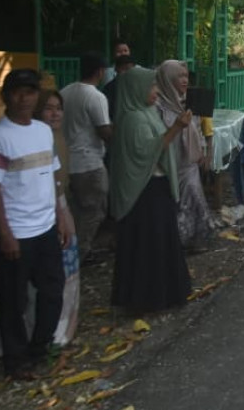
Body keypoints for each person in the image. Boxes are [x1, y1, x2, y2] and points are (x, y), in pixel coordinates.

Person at [0, 69, 70, 378]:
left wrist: (61, 215)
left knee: (52, 291)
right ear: (6, 96)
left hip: (45, 227)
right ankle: (16, 362)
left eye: (30, 92)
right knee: (13, 301)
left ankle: (39, 348)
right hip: (15, 233)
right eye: (18, 92)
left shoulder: (42, 131)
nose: (24, 98)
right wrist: (4, 233)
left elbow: (52, 176)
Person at [110, 66, 193, 313]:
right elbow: (148, 151)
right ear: (136, 89)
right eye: (151, 86)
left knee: (161, 243)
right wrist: (177, 127)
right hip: (144, 192)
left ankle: (165, 294)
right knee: (149, 246)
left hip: (157, 186)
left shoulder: (146, 112)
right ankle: (147, 299)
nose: (155, 91)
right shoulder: (133, 118)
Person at [34, 91, 81, 345]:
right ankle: (49, 331)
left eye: (58, 108)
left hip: (61, 207)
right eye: (48, 108)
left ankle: (64, 327)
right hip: (44, 211)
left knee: (68, 271)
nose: (54, 114)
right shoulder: (38, 141)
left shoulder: (59, 138)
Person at [155, 60, 213, 250]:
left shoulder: (189, 100)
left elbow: (197, 127)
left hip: (188, 163)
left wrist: (204, 150)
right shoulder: (157, 106)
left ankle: (197, 240)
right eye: (179, 76)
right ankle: (175, 243)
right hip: (167, 164)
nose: (184, 80)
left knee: (195, 200)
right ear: (168, 79)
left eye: (186, 76)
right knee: (174, 205)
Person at [59, 53, 112, 260]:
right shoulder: (95, 96)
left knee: (75, 210)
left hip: (67, 161)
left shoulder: (65, 92)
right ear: (100, 71)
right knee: (95, 210)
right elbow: (104, 131)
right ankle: (81, 252)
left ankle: (72, 247)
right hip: (89, 162)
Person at [103, 53, 136, 121]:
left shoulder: (137, 86)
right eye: (124, 69)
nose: (127, 72)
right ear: (116, 69)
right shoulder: (109, 88)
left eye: (130, 70)